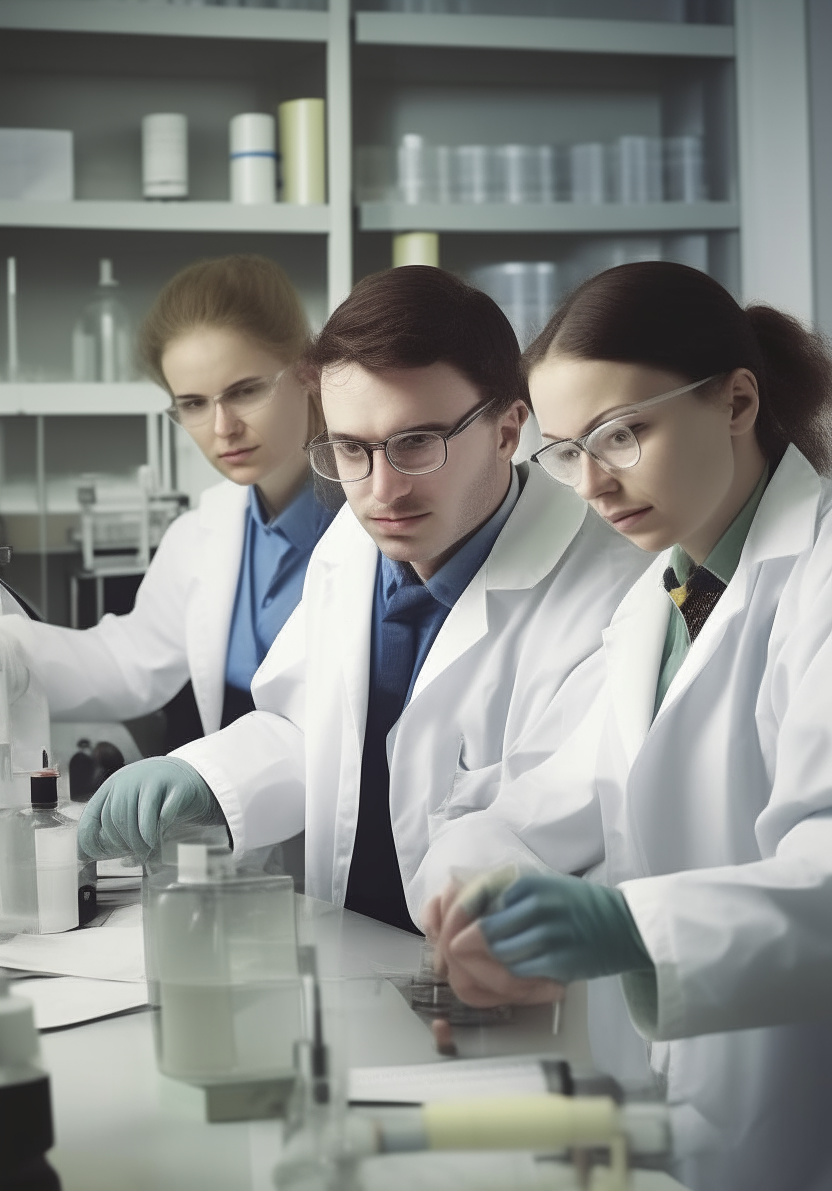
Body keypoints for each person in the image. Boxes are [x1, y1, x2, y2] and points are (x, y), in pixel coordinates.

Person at [426, 261, 832, 1191]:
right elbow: (539, 801)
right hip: (680, 1113)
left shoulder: (816, 585)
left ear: (737, 400)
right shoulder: (661, 598)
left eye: (621, 434)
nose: (593, 483)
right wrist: (481, 883)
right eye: (565, 452)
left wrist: (631, 929)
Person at [77, 265, 650, 935]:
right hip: (354, 944)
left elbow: (554, 815)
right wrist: (208, 777)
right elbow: (306, 728)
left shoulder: (611, 588)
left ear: (506, 429)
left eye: (416, 444)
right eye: (350, 449)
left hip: (507, 973)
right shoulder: (353, 542)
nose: (381, 491)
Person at [0, 255, 335, 742]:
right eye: (193, 404)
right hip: (233, 805)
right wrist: (11, 651)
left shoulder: (376, 519)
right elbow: (131, 661)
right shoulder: (202, 532)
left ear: (307, 373)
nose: (223, 428)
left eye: (244, 391)